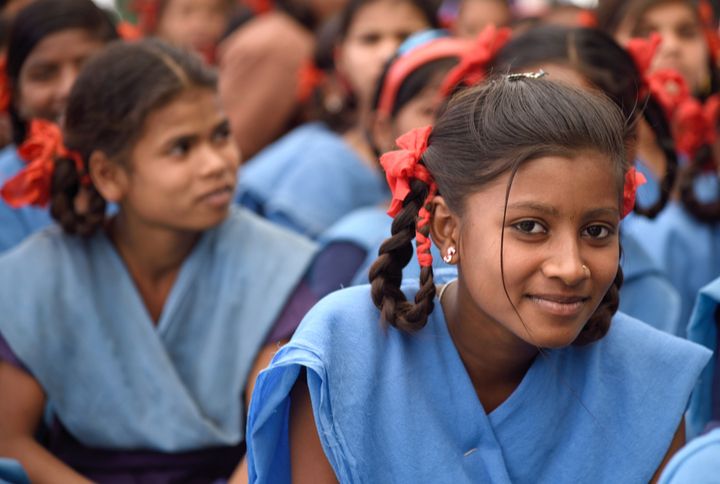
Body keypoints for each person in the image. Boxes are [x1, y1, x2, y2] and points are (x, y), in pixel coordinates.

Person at [245, 76, 711, 483]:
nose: (571, 267)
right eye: (530, 227)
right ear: (449, 229)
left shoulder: (651, 385)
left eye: (597, 231)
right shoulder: (345, 355)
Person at [0, 39, 322, 482]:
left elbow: (273, 430)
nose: (215, 163)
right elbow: (9, 440)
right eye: (181, 148)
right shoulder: (36, 275)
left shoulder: (277, 266)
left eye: (221, 135)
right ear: (109, 175)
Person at [490, 25, 684, 335]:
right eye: (528, 118)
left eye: (596, 231)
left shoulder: (650, 297)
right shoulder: (408, 272)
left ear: (628, 147)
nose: (569, 269)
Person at [319, 26, 510, 286]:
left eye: (473, 111)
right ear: (382, 130)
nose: (453, 125)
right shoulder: (352, 243)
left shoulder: (511, 238)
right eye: (431, 109)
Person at [236, 0, 437, 238]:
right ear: (340, 57)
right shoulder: (326, 158)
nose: (388, 53)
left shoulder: (458, 157)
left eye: (406, 36)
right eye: (370, 39)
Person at [0, 0, 117, 253]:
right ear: (16, 96)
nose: (69, 89)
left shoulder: (167, 165)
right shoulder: (4, 187)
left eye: (88, 66)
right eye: (44, 74)